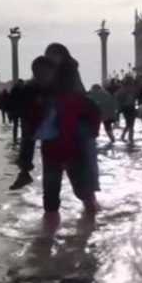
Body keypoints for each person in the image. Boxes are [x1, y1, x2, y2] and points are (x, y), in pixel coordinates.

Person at [23, 56, 101, 215]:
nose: (41, 77)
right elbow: (30, 130)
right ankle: (48, 238)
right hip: (51, 154)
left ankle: (91, 233)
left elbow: (94, 112)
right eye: (37, 74)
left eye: (45, 73)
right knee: (50, 202)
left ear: (53, 73)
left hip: (75, 152)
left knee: (84, 194)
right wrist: (25, 164)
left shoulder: (71, 95)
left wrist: (90, 136)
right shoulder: (34, 98)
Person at [115, 75, 138, 144]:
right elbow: (118, 98)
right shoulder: (124, 89)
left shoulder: (130, 88)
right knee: (130, 124)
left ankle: (127, 137)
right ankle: (129, 138)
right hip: (128, 108)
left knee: (129, 124)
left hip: (129, 107)